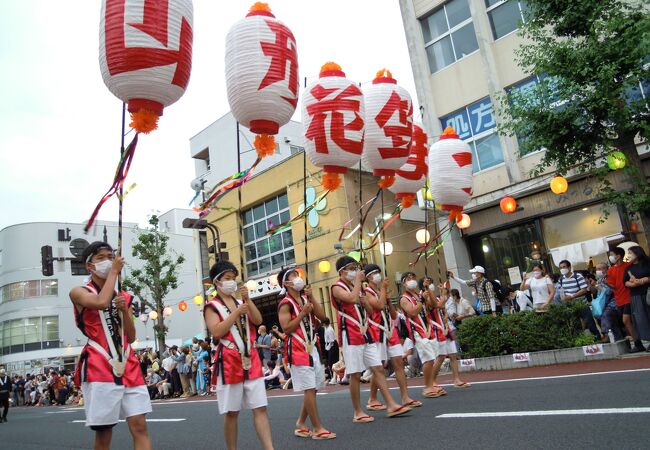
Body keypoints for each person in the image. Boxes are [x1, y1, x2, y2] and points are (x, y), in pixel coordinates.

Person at [68, 241, 152, 450]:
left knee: (140, 426)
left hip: (128, 362)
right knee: (104, 432)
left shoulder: (123, 295)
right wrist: (114, 272)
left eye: (110, 256)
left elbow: (131, 337)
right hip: (99, 364)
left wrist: (124, 311)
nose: (107, 261)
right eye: (101, 258)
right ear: (89, 266)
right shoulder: (79, 291)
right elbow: (100, 302)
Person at [203, 261, 273, 450]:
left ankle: (269, 447)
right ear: (217, 282)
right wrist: (235, 313)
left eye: (233, 279)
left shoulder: (242, 303)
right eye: (227, 279)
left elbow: (258, 320)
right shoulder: (212, 306)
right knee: (232, 412)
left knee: (260, 407)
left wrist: (248, 301)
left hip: (251, 359)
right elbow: (217, 332)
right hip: (229, 362)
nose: (231, 282)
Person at [331, 257, 411, 423]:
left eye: (355, 267)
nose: (354, 271)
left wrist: (363, 300)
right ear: (341, 271)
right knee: (355, 374)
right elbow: (351, 299)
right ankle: (358, 412)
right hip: (351, 335)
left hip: (365, 333)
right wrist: (359, 286)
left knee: (378, 368)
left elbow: (368, 308)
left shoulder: (357, 287)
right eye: (351, 268)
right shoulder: (336, 287)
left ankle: (391, 404)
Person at [277, 267, 336, 440]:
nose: (298, 278)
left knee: (313, 388)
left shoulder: (304, 298)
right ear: (286, 283)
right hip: (297, 349)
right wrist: (302, 313)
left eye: (298, 275)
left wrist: (311, 297)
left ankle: (301, 423)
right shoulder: (285, 303)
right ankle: (317, 428)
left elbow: (322, 316)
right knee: (309, 389)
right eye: (294, 276)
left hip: (312, 348)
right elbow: (286, 328)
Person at [363, 264, 421, 410]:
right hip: (377, 331)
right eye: (374, 273)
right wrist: (383, 291)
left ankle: (405, 397)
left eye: (378, 272)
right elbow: (378, 305)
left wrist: (389, 299)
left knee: (398, 362)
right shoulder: (367, 292)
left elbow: (394, 315)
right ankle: (373, 398)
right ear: (368, 276)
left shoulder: (380, 290)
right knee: (380, 366)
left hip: (390, 329)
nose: (378, 275)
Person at [400, 272, 441, 398]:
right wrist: (422, 300)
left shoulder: (419, 294)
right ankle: (427, 387)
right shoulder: (404, 299)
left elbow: (435, 305)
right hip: (417, 331)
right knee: (428, 359)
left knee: (433, 358)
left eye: (413, 278)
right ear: (403, 282)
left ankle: (432, 384)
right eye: (408, 278)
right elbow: (412, 312)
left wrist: (428, 289)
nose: (411, 280)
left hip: (427, 329)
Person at [607, 247, 644, 352]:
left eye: (612, 254)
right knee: (628, 322)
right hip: (619, 299)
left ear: (618, 256)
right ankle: (638, 343)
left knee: (628, 320)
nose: (611, 257)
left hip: (630, 297)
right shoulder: (611, 270)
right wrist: (606, 284)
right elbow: (613, 286)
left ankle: (638, 343)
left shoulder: (628, 266)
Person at [557, 260, 601, 337]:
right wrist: (564, 298)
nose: (562, 269)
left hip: (582, 303)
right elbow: (560, 291)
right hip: (570, 305)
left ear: (569, 267)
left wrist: (572, 296)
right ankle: (580, 340)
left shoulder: (577, 276)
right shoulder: (561, 279)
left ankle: (597, 338)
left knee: (590, 322)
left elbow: (584, 290)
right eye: (560, 267)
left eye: (564, 267)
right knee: (575, 325)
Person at [623, 246, 650, 351]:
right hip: (636, 296)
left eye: (630, 253)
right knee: (641, 319)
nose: (628, 255)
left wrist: (645, 279)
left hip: (647, 293)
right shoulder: (628, 268)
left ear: (637, 253)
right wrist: (632, 284)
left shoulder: (647, 263)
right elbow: (625, 282)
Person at [322, 318, 339, 385]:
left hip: (332, 346)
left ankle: (335, 378)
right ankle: (333, 377)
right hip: (329, 345)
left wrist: (327, 348)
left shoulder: (329, 330)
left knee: (332, 362)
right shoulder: (326, 328)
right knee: (330, 362)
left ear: (325, 323)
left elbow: (332, 341)